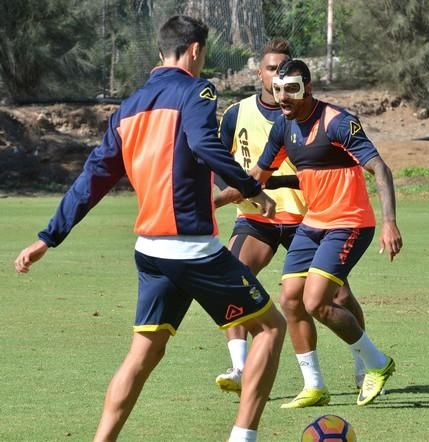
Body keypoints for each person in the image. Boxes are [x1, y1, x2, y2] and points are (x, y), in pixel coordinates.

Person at [14, 16, 286, 442]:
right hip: (194, 250)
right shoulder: (198, 89)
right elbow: (202, 142)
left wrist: (49, 237)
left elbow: (93, 178)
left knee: (144, 353)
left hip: (151, 252)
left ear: (162, 51)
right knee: (271, 327)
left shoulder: (129, 106)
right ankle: (243, 438)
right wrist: (252, 188)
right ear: (195, 50)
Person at [213, 39, 370, 394]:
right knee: (231, 280)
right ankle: (240, 367)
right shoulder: (237, 113)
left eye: (285, 70)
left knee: (338, 297)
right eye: (271, 69)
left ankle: (365, 365)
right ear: (261, 73)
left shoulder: (315, 116)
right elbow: (220, 164)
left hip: (310, 216)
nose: (277, 77)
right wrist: (236, 194)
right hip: (258, 218)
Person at [249, 59, 403, 408]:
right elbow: (256, 176)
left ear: (308, 88)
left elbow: (380, 167)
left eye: (292, 89)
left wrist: (390, 222)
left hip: (349, 222)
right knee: (290, 299)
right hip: (313, 223)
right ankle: (315, 386)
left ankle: (377, 364)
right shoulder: (282, 127)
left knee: (316, 301)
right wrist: (209, 199)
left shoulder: (337, 122)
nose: (283, 97)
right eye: (278, 89)